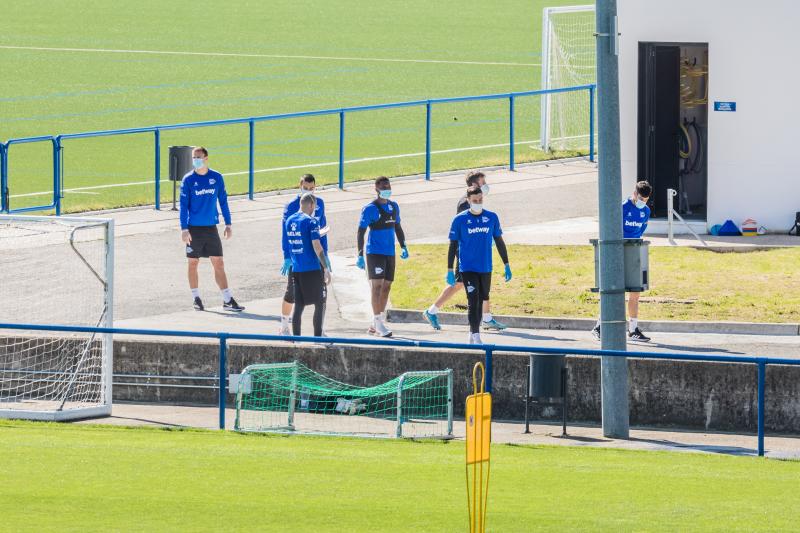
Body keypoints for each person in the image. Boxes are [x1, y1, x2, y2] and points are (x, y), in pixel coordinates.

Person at [422, 171, 507, 331]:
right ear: (474, 184)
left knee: (470, 284)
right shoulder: (465, 203)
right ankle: (432, 311)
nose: (486, 185)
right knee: (459, 283)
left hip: (476, 253)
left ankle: (486, 318)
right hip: (466, 254)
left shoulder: (475, 200)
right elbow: (462, 229)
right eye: (483, 182)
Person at [179, 146, 244, 312]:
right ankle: (196, 298)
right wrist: (184, 228)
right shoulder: (188, 180)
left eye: (198, 157)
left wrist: (228, 224)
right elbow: (183, 207)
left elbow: (223, 201)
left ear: (206, 158)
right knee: (193, 263)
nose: (196, 160)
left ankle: (227, 299)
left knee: (219, 262)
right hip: (194, 229)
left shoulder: (217, 178)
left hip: (211, 228)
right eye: (194, 157)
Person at [447, 185, 512, 344]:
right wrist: (449, 269)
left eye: (480, 199)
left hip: (485, 267)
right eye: (474, 200)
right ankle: (475, 334)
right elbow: (453, 245)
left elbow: (499, 241)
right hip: (468, 267)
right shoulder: (459, 220)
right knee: (473, 300)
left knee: (483, 297)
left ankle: (472, 333)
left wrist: (506, 264)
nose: (478, 202)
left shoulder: (492, 217)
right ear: (468, 200)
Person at [591, 180, 652, 342]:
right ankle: (599, 326)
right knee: (612, 290)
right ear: (634, 194)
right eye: (640, 198)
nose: (642, 203)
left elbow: (641, 230)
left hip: (634, 252)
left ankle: (633, 329)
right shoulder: (622, 207)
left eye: (645, 200)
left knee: (635, 292)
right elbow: (610, 227)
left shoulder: (646, 211)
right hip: (618, 252)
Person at [356, 176, 409, 337]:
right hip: (375, 252)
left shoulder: (394, 207)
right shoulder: (370, 208)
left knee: (387, 287)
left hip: (389, 252)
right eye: (383, 187)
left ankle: (375, 323)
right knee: (377, 286)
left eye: (388, 186)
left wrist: (403, 246)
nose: (386, 189)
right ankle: (379, 322)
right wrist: (359, 254)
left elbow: (398, 227)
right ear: (376, 189)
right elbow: (361, 231)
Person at [279, 174, 329, 335]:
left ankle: (319, 330)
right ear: (300, 186)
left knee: (322, 294)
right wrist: (287, 256)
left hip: (316, 256)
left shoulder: (319, 203)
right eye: (306, 188)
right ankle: (285, 325)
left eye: (311, 188)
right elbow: (285, 233)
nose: (309, 190)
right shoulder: (292, 205)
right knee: (292, 293)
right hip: (298, 256)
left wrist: (325, 255)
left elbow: (322, 230)